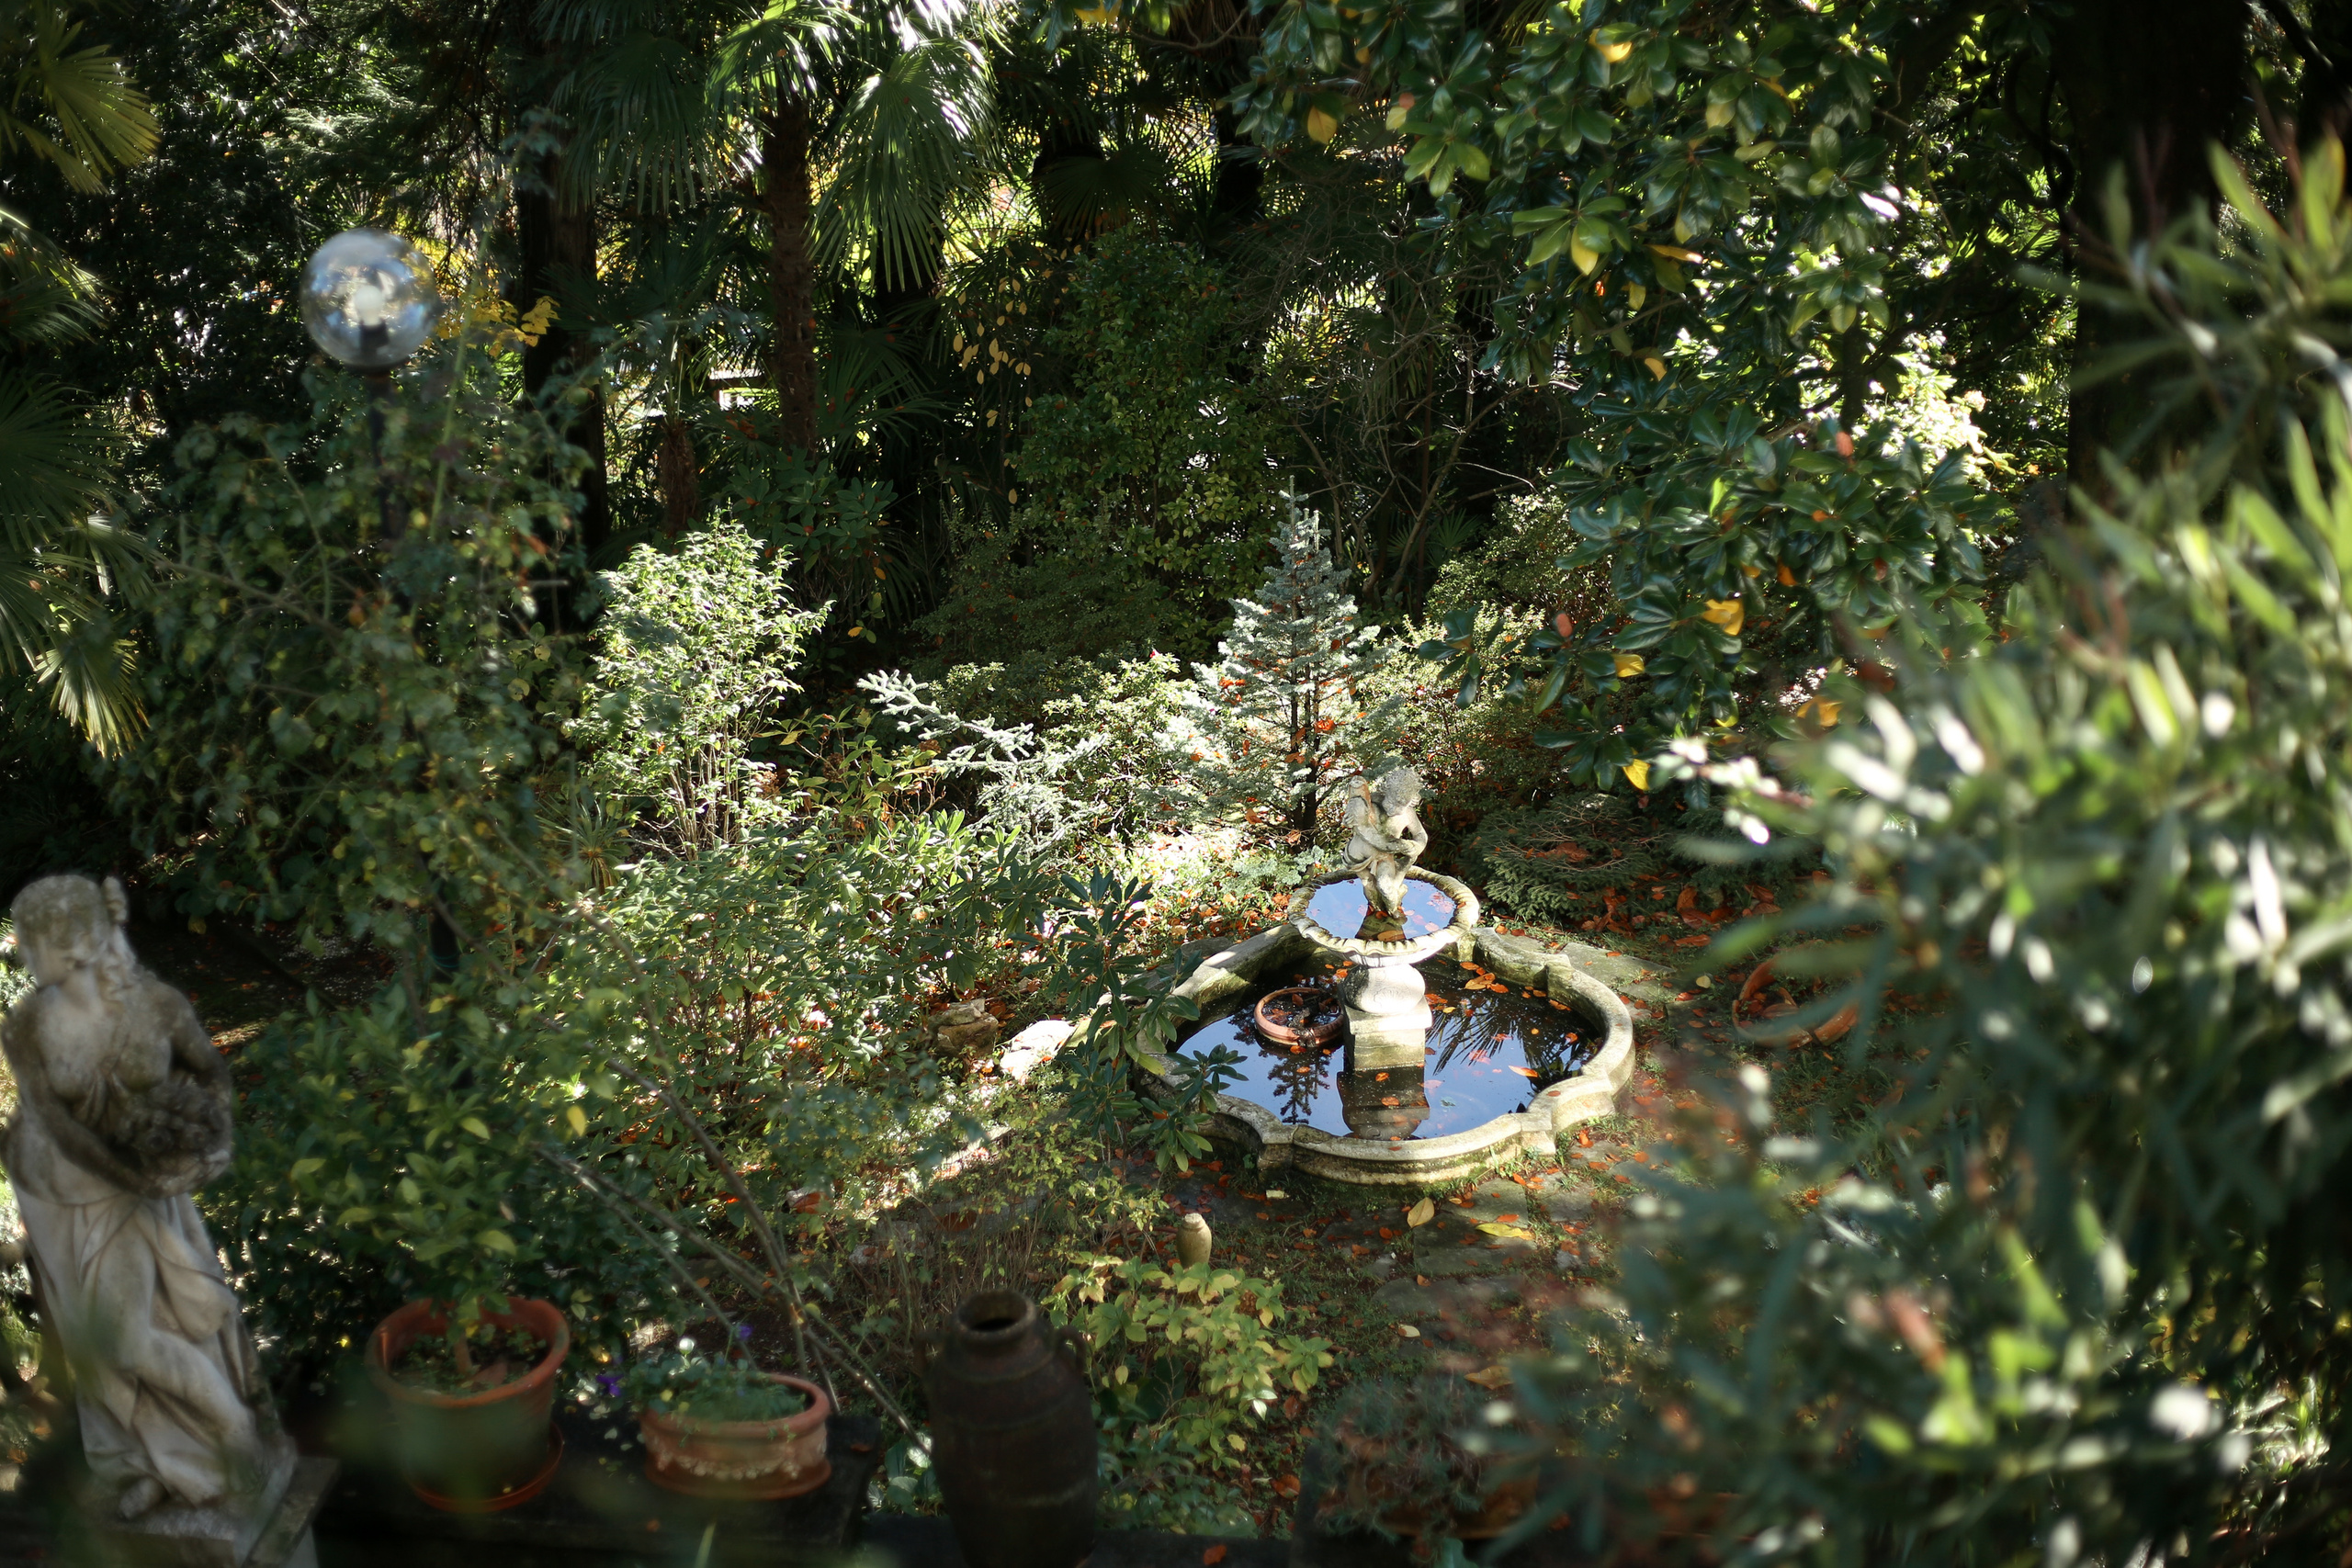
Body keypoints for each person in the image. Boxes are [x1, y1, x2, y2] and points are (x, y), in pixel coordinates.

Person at [1, 875, 269, 1520]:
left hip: (132, 1184)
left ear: (72, 946)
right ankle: (151, 1462)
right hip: (56, 1186)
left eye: (29, 940)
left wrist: (210, 1142)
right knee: (95, 1340)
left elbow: (211, 1071)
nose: (20, 951)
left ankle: (231, 1434)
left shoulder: (156, 1005)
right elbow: (56, 1125)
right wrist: (138, 1177)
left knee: (129, 1334)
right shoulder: (27, 1024)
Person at [1341, 766, 1429, 918]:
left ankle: (1392, 910)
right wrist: (1348, 819)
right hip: (1358, 852)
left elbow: (1420, 834)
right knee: (1368, 884)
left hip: (1384, 855)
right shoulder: (1373, 800)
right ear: (1386, 791)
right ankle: (1375, 910)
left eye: (1401, 805)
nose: (1394, 808)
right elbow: (1356, 814)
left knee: (1385, 886)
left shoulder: (1408, 814)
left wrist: (1417, 847)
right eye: (1392, 801)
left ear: (1411, 802)